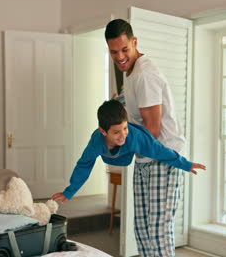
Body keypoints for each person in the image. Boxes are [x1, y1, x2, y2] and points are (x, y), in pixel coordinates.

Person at [104, 19, 191, 257]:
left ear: (135, 42)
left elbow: (152, 129)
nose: (120, 56)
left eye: (124, 49)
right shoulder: (130, 73)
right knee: (142, 231)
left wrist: (118, 143)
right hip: (145, 160)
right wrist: (118, 103)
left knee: (158, 231)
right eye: (114, 52)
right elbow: (135, 109)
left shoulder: (144, 74)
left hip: (163, 158)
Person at [50, 99, 205, 209]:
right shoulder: (96, 142)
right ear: (103, 131)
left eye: (124, 128)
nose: (122, 135)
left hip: (132, 147)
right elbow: (84, 165)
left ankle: (121, 98)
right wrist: (69, 192)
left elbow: (160, 151)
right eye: (116, 132)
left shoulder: (134, 137)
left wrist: (186, 164)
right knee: (116, 106)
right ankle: (119, 98)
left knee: (144, 141)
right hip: (112, 155)